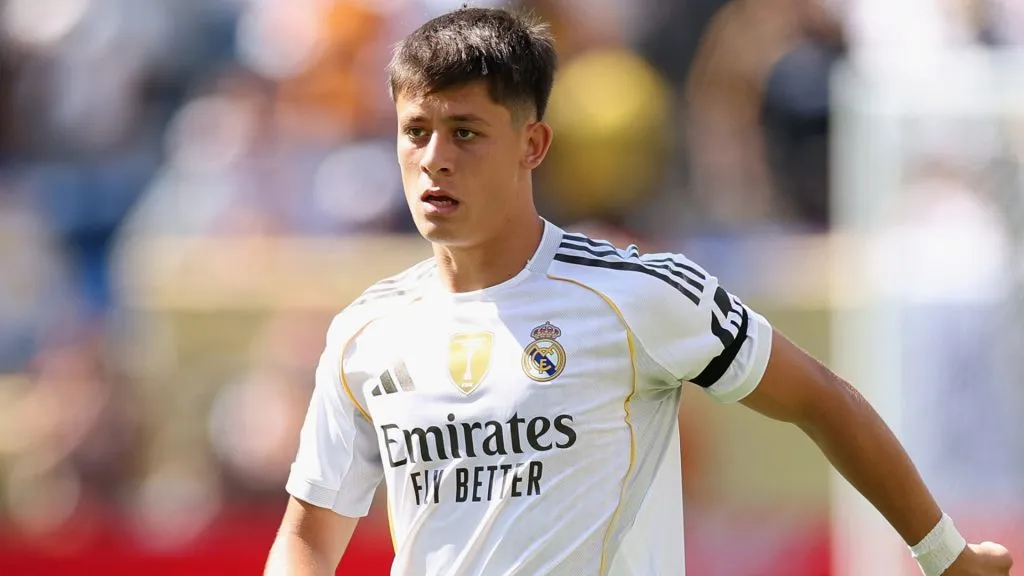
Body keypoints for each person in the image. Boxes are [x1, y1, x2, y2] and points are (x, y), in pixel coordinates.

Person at [264, 7, 1014, 576]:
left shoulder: (638, 295)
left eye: (465, 132)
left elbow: (823, 399)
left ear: (533, 145)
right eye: (415, 130)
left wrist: (945, 554)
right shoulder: (367, 333)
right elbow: (310, 530)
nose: (433, 159)